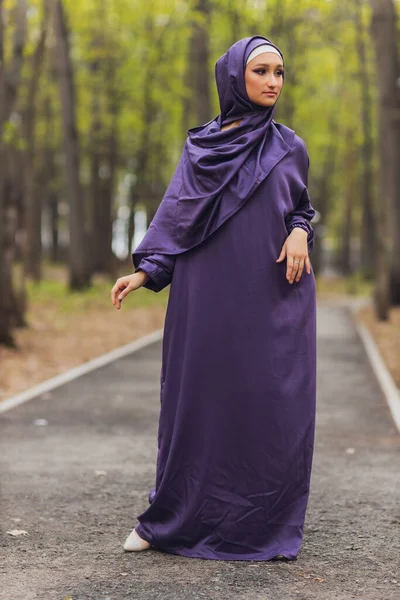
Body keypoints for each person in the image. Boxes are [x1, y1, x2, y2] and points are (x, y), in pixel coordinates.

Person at [111, 35, 317, 561]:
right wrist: (147, 271)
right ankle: (169, 520)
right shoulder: (201, 146)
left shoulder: (290, 146)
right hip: (205, 297)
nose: (273, 81)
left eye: (279, 72)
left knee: (269, 408)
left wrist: (299, 231)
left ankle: (260, 525)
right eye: (262, 71)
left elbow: (300, 207)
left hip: (273, 298)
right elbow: (179, 216)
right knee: (196, 404)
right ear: (234, 78)